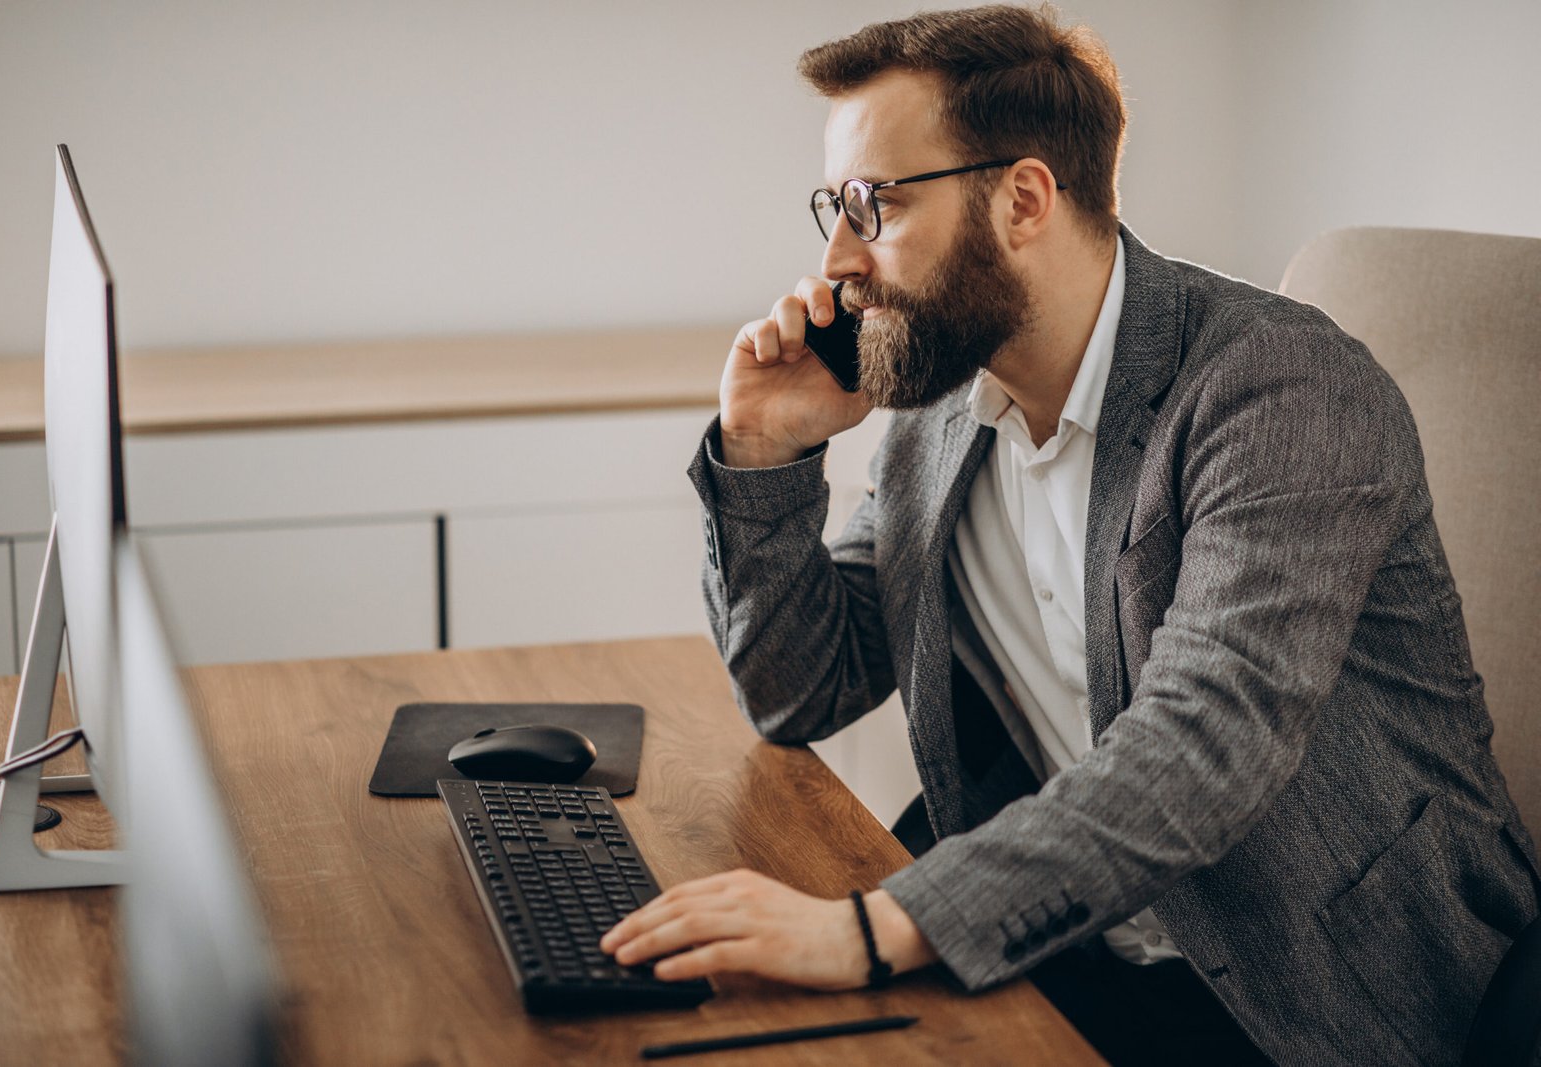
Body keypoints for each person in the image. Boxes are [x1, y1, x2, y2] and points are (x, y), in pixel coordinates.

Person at [598, 5, 1539, 1064]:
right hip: (1065, 937)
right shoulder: (941, 410)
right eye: (833, 205)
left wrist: (868, 926)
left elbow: (1204, 742)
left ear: (1023, 198)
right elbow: (798, 689)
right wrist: (762, 452)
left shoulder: (1279, 389)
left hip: (1315, 981)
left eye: (872, 203)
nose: (837, 259)